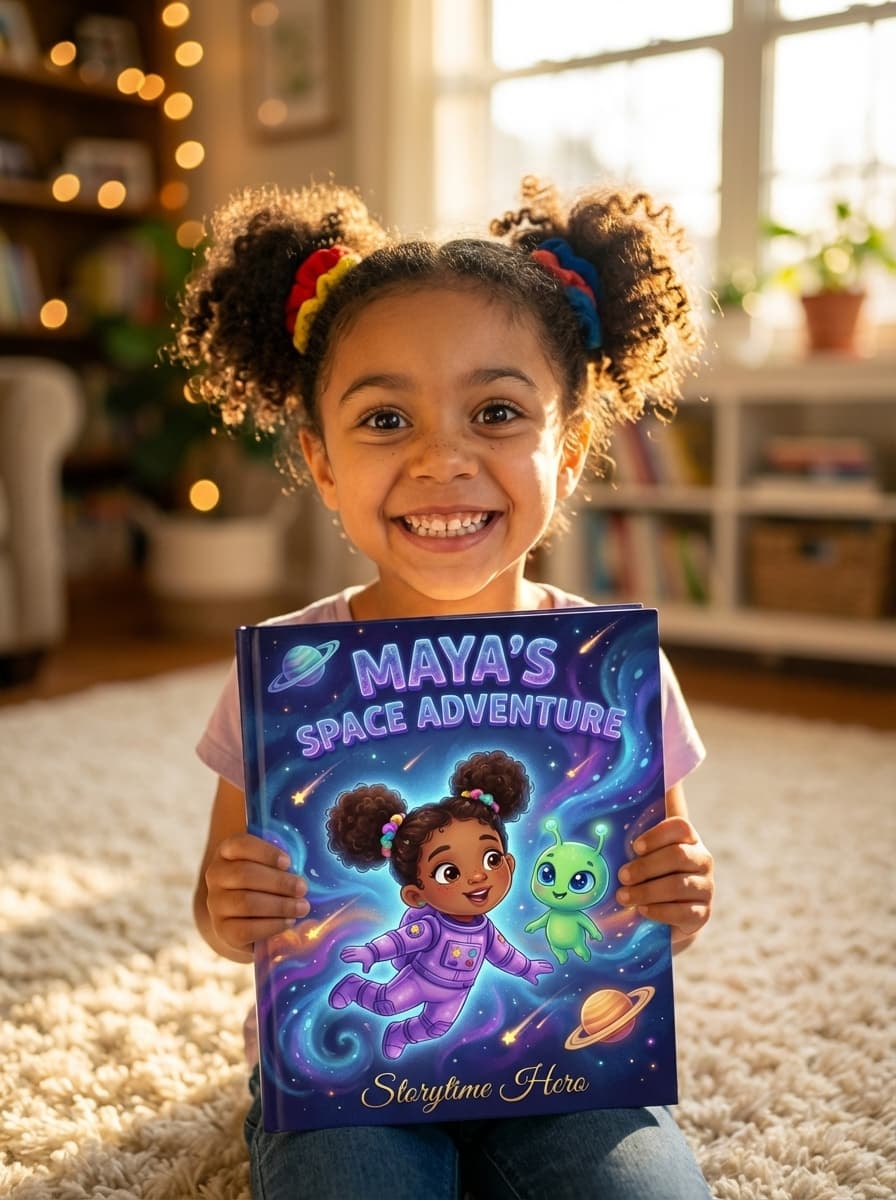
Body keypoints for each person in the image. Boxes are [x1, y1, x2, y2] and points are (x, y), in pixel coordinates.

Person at [180, 175, 715, 1200]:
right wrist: (228, 906)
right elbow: (221, 904)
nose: (441, 459)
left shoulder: (617, 668)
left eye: (497, 411)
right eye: (384, 419)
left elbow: (652, 901)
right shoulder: (282, 677)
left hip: (570, 1073)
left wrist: (678, 898)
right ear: (320, 462)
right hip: (349, 1081)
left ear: (567, 449)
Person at [326, 749, 553, 1059]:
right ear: (416, 895)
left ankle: (400, 1033)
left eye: (491, 859)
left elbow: (503, 953)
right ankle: (354, 987)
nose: (476, 876)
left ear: (510, 864)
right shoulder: (431, 925)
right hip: (421, 980)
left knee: (436, 1028)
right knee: (387, 1003)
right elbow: (401, 940)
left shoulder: (485, 930)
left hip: (457, 992)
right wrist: (372, 952)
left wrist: (526, 968)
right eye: (450, 872)